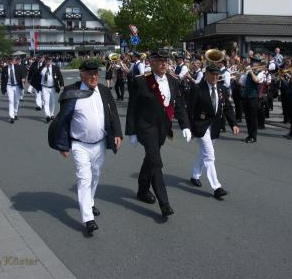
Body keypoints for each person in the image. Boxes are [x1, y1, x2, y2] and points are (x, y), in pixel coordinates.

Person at [48, 60, 122, 235]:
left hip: (100, 143)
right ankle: (88, 218)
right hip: (80, 144)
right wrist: (62, 144)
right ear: (82, 74)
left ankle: (89, 202)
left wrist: (117, 133)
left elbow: (113, 114)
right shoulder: (71, 92)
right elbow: (63, 120)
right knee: (84, 178)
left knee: (95, 175)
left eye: (96, 73)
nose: (94, 76)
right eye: (89, 74)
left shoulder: (103, 90)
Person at [125, 50, 191, 217]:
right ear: (152, 63)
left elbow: (179, 105)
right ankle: (165, 204)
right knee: (155, 160)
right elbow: (132, 108)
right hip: (146, 128)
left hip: (163, 128)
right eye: (159, 61)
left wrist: (185, 126)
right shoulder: (141, 82)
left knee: (150, 159)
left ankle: (142, 190)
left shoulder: (173, 81)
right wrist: (131, 132)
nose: (163, 64)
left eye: (165, 61)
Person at [187, 63, 239, 199]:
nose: (215, 76)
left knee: (203, 153)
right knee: (209, 156)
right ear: (206, 74)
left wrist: (233, 123)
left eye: (217, 74)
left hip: (215, 127)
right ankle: (217, 187)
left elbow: (227, 107)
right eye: (212, 74)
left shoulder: (222, 89)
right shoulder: (198, 88)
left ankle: (194, 175)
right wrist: (189, 128)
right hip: (201, 126)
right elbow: (190, 110)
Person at [239, 55, 265, 143]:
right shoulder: (249, 72)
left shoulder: (261, 73)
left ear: (258, 63)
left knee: (253, 118)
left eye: (255, 62)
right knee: (247, 117)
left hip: (253, 97)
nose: (253, 63)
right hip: (246, 96)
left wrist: (251, 72)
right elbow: (242, 83)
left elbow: (257, 80)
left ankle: (253, 136)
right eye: (252, 62)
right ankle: (249, 135)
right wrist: (238, 77)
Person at [32, 56, 64, 123]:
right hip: (44, 88)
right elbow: (36, 77)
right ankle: (47, 115)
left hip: (52, 87)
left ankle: (51, 114)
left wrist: (61, 84)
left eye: (49, 60)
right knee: (46, 102)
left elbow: (60, 76)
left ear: (51, 61)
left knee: (52, 101)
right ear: (45, 61)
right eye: (47, 60)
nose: (48, 61)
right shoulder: (42, 68)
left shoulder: (55, 68)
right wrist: (36, 86)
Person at [1, 56, 25, 123]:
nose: (11, 62)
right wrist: (3, 89)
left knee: (16, 100)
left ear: (14, 61)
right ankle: (11, 117)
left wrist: (23, 78)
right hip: (9, 86)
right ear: (8, 61)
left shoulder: (18, 67)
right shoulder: (5, 69)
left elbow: (22, 74)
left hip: (17, 86)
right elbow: (3, 79)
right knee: (11, 101)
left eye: (12, 60)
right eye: (9, 60)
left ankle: (15, 113)